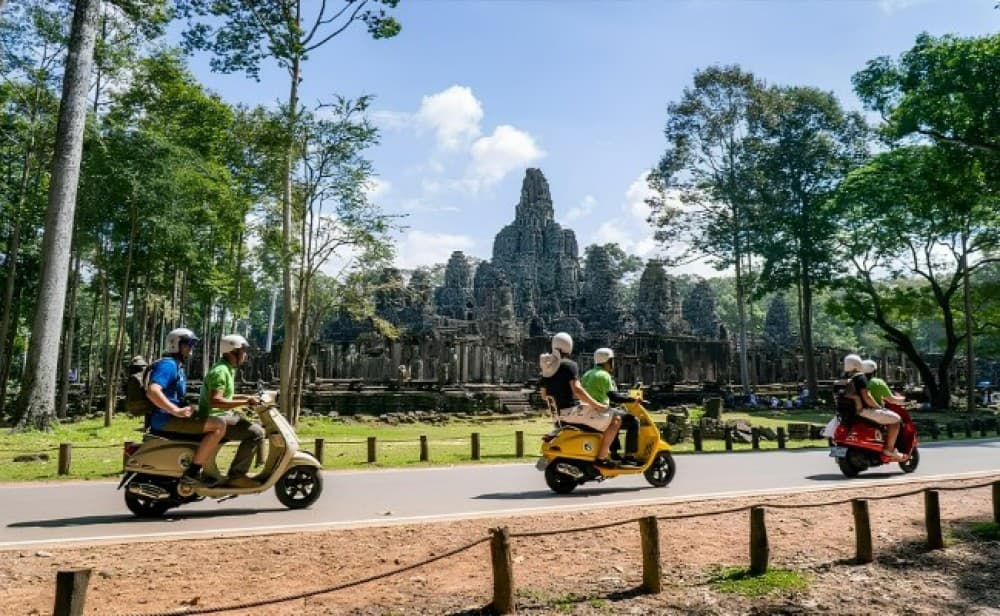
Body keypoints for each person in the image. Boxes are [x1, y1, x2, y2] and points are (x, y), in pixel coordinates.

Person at [146, 328, 227, 487]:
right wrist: (175, 410)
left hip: (169, 417)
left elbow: (173, 396)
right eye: (188, 343)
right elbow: (152, 391)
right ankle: (192, 474)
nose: (191, 347)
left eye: (192, 344)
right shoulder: (168, 365)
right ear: (175, 345)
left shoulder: (178, 366)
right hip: (166, 419)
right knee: (219, 425)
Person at [539, 332, 620, 467]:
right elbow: (577, 390)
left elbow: (543, 394)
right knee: (616, 419)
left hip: (559, 415)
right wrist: (597, 405)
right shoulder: (569, 365)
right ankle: (602, 458)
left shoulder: (547, 369)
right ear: (568, 346)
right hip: (572, 413)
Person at [198, 334, 265, 488]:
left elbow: (226, 395)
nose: (245, 354)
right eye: (242, 350)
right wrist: (245, 402)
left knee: (249, 427)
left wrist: (247, 397)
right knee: (256, 433)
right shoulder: (221, 371)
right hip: (214, 419)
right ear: (232, 351)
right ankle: (237, 475)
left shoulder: (226, 369)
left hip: (219, 417)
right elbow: (216, 401)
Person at [580, 348, 640, 466]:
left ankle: (614, 453)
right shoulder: (604, 375)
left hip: (588, 412)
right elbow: (614, 396)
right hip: (600, 412)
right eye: (612, 361)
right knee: (633, 421)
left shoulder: (587, 374)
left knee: (616, 414)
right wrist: (631, 399)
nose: (614, 364)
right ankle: (629, 456)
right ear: (607, 361)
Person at [841, 353, 905, 461]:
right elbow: (867, 397)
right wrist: (878, 407)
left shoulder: (844, 379)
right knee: (896, 420)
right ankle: (889, 449)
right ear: (857, 364)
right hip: (863, 410)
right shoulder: (860, 377)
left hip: (846, 411)